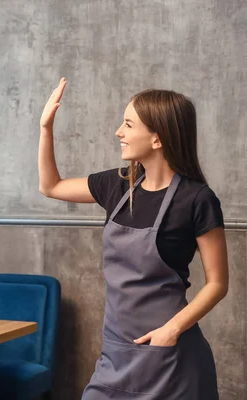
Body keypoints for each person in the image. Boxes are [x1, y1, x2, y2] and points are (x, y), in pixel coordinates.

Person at [38, 78, 228, 399]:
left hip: (171, 361)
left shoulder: (197, 200)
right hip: (116, 355)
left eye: (128, 124)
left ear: (157, 139)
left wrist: (171, 330)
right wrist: (45, 128)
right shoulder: (118, 185)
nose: (118, 132)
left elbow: (217, 284)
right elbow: (51, 186)